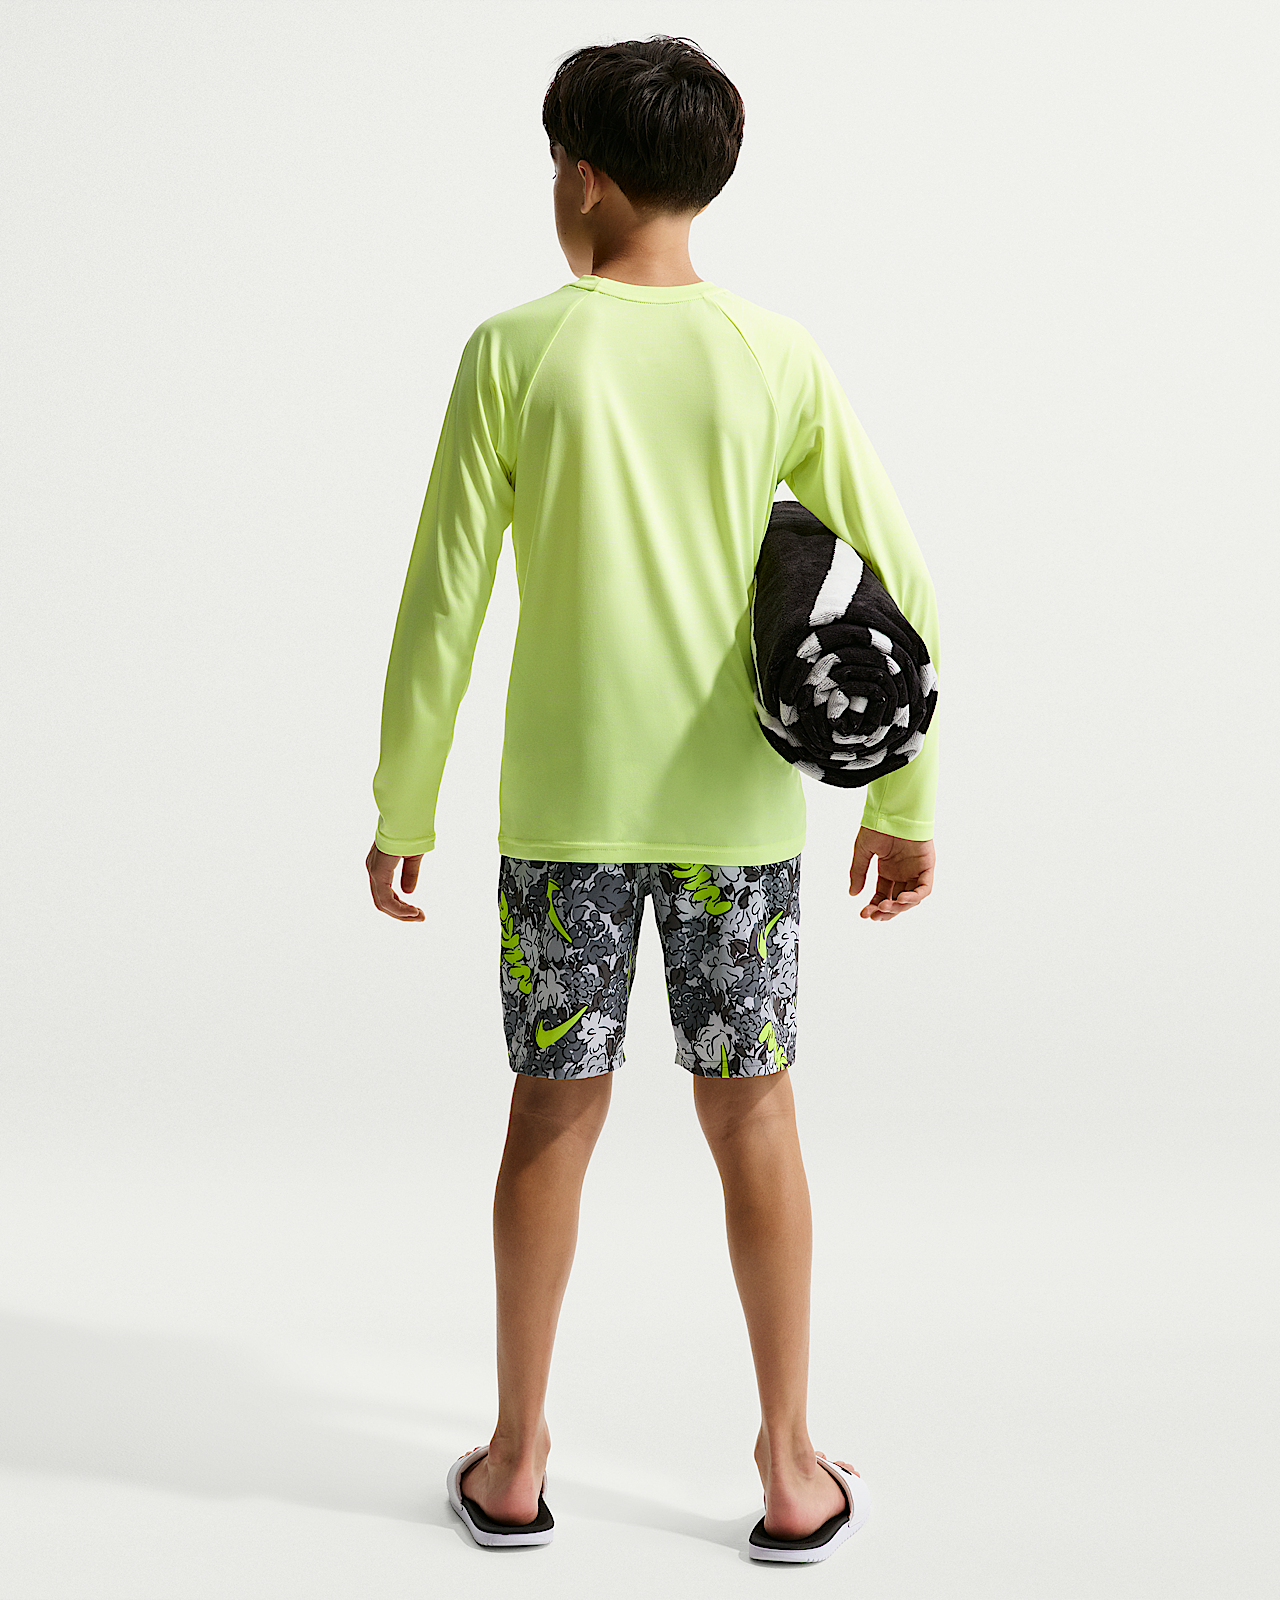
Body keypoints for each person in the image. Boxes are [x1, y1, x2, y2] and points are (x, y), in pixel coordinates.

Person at [366, 33, 939, 1564]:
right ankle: (791, 1464)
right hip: (738, 821)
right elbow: (896, 577)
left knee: (551, 1114)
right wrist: (903, 795)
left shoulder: (515, 350)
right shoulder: (775, 352)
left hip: (563, 818)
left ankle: (514, 1459)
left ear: (581, 178)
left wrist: (404, 805)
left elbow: (442, 604)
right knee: (755, 1113)